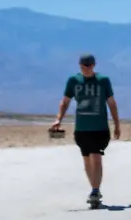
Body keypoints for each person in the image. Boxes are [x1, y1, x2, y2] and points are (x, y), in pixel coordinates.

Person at [51, 54, 121, 205]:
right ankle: (94, 188)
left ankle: (95, 190)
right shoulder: (73, 81)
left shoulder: (103, 81)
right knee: (87, 158)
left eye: (89, 66)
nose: (87, 69)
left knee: (96, 156)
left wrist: (117, 124)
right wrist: (58, 119)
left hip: (100, 127)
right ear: (80, 66)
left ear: (94, 65)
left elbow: (111, 103)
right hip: (82, 128)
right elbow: (65, 102)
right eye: (84, 66)